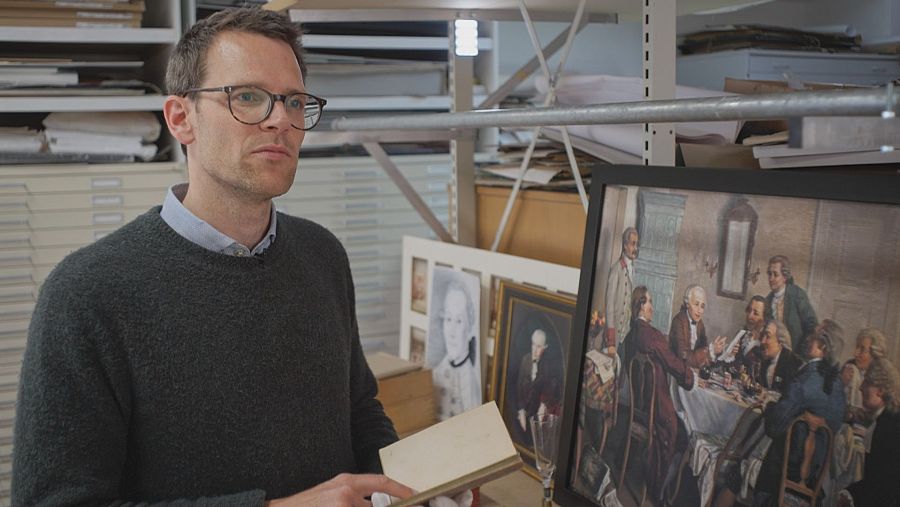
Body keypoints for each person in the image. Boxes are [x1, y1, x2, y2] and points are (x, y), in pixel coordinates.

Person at [11, 8, 417, 505]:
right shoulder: (86, 294)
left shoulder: (322, 255)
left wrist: (418, 483)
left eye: (294, 101)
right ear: (181, 119)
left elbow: (359, 412)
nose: (280, 120)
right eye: (247, 97)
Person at [752, 319, 846, 507]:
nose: (808, 339)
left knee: (744, 460)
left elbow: (773, 427)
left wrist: (769, 405)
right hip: (815, 481)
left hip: (784, 475)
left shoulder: (805, 379)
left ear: (823, 347)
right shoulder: (839, 387)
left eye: (813, 336)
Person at [630, 286, 695, 503]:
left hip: (643, 406)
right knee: (683, 436)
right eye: (648, 302)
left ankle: (661, 486)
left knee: (682, 432)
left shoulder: (636, 332)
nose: (652, 307)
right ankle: (659, 491)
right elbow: (673, 363)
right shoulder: (651, 334)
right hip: (656, 409)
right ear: (639, 305)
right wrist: (690, 377)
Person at [837, 357, 900, 507]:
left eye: (867, 383)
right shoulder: (885, 419)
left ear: (881, 391)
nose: (860, 387)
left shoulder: (889, 427)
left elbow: (883, 486)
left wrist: (851, 494)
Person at [432, 281, 481, 420]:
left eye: (459, 321)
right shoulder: (437, 372)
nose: (451, 331)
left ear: (470, 328)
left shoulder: (471, 383)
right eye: (448, 319)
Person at [764, 255, 818, 352]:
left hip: (796, 352)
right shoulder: (767, 301)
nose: (771, 278)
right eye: (769, 274)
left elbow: (811, 325)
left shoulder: (796, 295)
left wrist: (802, 351)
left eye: (775, 274)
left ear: (785, 277)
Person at [669, 284, 727, 369]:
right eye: (696, 304)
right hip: (677, 371)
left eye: (702, 306)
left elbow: (703, 350)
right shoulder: (678, 321)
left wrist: (717, 350)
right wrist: (710, 351)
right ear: (687, 304)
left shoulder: (700, 324)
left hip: (691, 371)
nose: (700, 311)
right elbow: (683, 356)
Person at [604, 227, 639, 363]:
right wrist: (611, 340)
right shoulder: (616, 270)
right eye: (632, 244)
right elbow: (609, 307)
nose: (635, 247)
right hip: (615, 335)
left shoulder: (632, 269)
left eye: (636, 244)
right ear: (625, 245)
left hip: (626, 335)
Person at [841, 328, 888, 425]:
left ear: (875, 355)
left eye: (862, 349)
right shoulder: (848, 368)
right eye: (856, 347)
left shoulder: (882, 379)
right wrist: (841, 383)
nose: (856, 353)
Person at [715, 295, 767, 368]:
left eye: (755, 313)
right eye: (749, 310)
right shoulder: (741, 335)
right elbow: (723, 365)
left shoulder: (764, 344)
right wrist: (730, 354)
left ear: (764, 320)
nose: (749, 316)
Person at [756, 319, 803, 395]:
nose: (763, 341)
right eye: (763, 336)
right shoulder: (765, 359)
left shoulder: (793, 364)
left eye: (768, 336)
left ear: (780, 343)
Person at [516, 329, 548, 433]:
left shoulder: (545, 367)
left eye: (538, 347)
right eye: (533, 345)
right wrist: (521, 410)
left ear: (544, 348)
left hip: (536, 412)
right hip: (523, 409)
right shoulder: (525, 360)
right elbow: (519, 386)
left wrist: (543, 404)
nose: (534, 350)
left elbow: (546, 391)